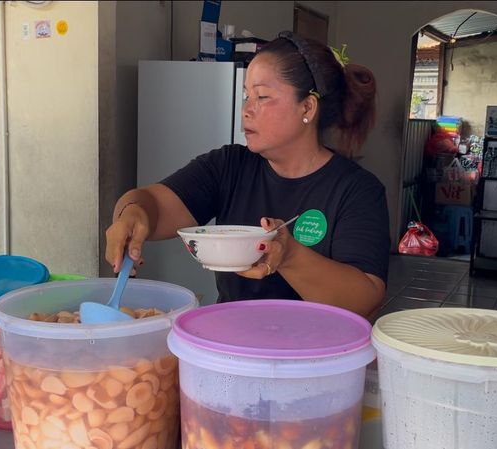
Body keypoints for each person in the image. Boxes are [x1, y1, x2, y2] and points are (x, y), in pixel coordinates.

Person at [105, 31, 390, 318]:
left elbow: (366, 297)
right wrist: (132, 214)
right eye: (246, 96)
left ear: (307, 107)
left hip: (313, 357)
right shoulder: (230, 166)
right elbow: (151, 203)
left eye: (262, 97)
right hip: (232, 350)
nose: (247, 110)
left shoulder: (356, 190)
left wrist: (289, 255)